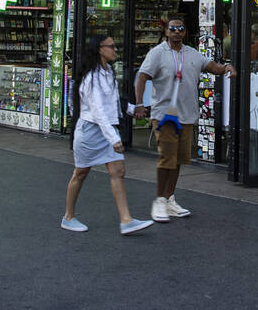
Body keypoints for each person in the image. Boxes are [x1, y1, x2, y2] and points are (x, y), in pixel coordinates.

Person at [133, 16, 235, 222]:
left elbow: (212, 66)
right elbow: (142, 76)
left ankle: (170, 198)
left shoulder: (192, 54)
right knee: (166, 158)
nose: (177, 32)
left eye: (181, 28)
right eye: (173, 29)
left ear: (185, 32)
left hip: (187, 115)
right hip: (165, 115)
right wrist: (139, 104)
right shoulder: (157, 54)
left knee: (178, 160)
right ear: (167, 32)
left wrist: (227, 67)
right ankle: (159, 200)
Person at [61, 35, 152, 235]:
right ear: (100, 49)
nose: (115, 50)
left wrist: (132, 109)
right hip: (90, 131)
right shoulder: (91, 77)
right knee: (80, 173)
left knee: (118, 171)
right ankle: (68, 217)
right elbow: (98, 111)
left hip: (106, 128)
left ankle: (126, 220)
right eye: (111, 46)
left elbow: (111, 102)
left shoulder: (107, 71)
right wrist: (114, 138)